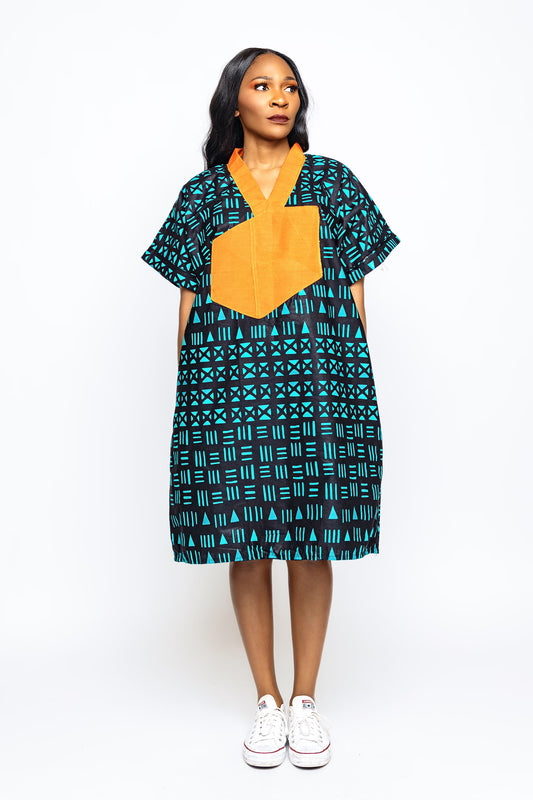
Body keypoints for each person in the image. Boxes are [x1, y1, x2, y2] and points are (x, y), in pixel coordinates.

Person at [141, 47, 400, 769]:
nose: (280, 97)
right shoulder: (202, 196)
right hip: (227, 389)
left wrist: (354, 389)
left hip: (319, 384)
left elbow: (355, 296)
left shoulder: (332, 183)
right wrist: (191, 400)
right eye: (262, 85)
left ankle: (305, 700)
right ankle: (267, 698)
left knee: (313, 541)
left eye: (290, 87)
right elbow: (188, 306)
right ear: (236, 102)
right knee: (245, 541)